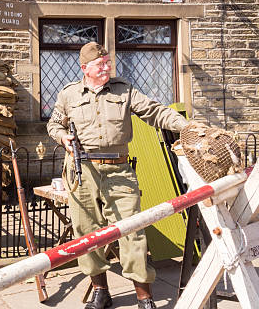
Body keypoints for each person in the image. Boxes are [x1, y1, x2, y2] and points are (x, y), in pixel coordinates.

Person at [47, 42, 188, 309]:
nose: (106, 67)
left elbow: (155, 112)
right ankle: (101, 291)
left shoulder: (125, 90)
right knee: (87, 233)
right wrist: (62, 136)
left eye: (108, 62)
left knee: (132, 230)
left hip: (119, 171)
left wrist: (186, 126)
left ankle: (144, 295)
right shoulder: (68, 94)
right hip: (81, 172)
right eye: (100, 64)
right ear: (84, 69)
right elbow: (54, 123)